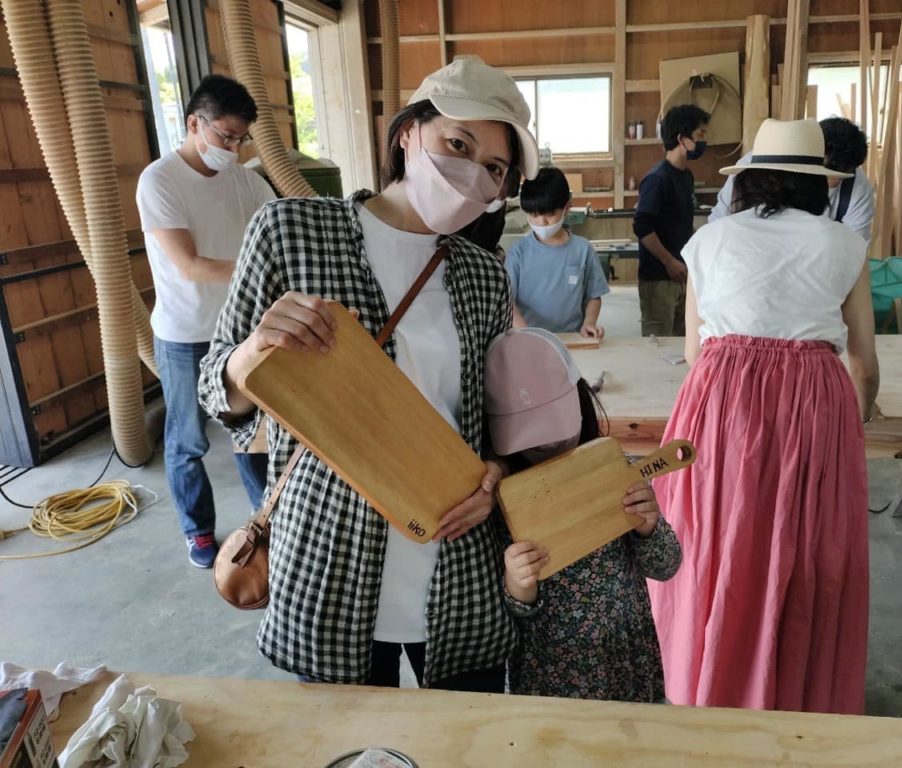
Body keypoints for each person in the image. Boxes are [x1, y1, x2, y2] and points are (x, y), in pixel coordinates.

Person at [197, 56, 539, 690]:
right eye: (458, 144)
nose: (472, 174)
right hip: (329, 555)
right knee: (347, 735)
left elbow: (492, 423)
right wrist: (253, 351)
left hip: (455, 554)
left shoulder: (484, 275)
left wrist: (494, 476)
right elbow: (215, 386)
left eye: (494, 168)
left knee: (465, 730)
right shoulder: (291, 231)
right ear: (407, 132)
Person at [649, 119, 879, 714]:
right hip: (813, 400)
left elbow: (695, 352)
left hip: (720, 399)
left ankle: (707, 680)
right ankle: (791, 691)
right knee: (804, 544)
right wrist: (859, 417)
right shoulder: (844, 244)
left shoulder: (708, 240)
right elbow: (863, 362)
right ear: (818, 183)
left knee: (716, 536)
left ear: (749, 180)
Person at [485, 328, 681, 702]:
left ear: (580, 401)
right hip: (550, 675)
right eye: (532, 441)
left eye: (557, 433)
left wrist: (648, 527)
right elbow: (508, 615)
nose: (548, 446)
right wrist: (519, 583)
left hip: (626, 661)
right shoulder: (507, 502)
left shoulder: (617, 471)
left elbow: (666, 566)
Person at [136, 74, 277, 568]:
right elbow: (190, 265)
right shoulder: (159, 180)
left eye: (241, 139)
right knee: (188, 440)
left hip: (241, 330)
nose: (233, 149)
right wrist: (256, 269)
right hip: (186, 334)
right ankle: (197, 531)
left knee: (253, 431)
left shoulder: (247, 181)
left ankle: (268, 521)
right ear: (194, 123)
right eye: (226, 136)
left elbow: (279, 230)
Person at [709, 117, 875, 241]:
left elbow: (855, 250)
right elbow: (720, 219)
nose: (835, 180)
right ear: (811, 153)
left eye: (844, 172)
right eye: (828, 169)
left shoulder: (859, 190)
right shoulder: (754, 168)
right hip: (748, 249)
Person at [632, 105, 710, 337]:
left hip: (682, 273)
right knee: (657, 343)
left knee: (681, 342)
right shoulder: (657, 179)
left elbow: (682, 222)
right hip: (659, 278)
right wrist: (669, 262)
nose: (704, 141)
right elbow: (642, 226)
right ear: (681, 139)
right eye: (700, 135)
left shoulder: (686, 176)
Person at [505, 168, 609, 337]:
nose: (541, 222)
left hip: (572, 337)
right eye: (533, 215)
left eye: (550, 214)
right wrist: (525, 333)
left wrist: (589, 323)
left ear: (566, 208)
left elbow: (594, 296)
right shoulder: (518, 253)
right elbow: (508, 301)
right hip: (530, 338)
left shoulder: (583, 250)